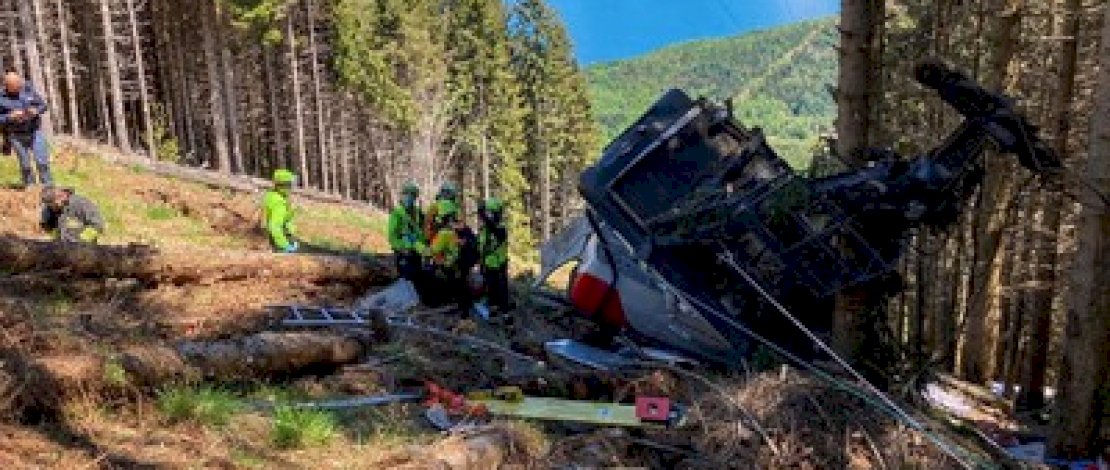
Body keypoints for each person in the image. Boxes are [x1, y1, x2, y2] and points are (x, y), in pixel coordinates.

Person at [0, 72, 51, 188]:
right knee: (25, 165)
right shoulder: (1, 97)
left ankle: (48, 187)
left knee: (42, 162)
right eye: (14, 88)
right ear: (7, 86)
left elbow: (43, 105)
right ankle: (30, 188)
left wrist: (36, 111)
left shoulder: (28, 88)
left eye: (19, 85)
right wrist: (9, 116)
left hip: (35, 131)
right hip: (15, 135)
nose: (18, 89)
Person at [427, 199, 472, 313]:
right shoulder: (454, 230)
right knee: (459, 285)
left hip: (448, 265)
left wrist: (417, 245)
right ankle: (461, 303)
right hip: (455, 263)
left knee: (430, 272)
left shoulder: (444, 233)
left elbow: (432, 251)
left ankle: (446, 302)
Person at [388, 182, 428, 285]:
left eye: (412, 195)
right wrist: (402, 248)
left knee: (417, 280)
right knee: (406, 281)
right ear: (403, 195)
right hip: (404, 252)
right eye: (407, 194)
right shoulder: (397, 213)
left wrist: (424, 247)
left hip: (417, 252)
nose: (409, 197)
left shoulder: (418, 213)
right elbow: (392, 236)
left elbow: (423, 231)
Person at [477, 197, 510, 313]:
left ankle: (505, 312)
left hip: (499, 265)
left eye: (490, 213)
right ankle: (492, 308)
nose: (489, 215)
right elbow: (481, 245)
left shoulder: (501, 227)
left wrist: (484, 217)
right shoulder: (485, 229)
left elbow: (496, 232)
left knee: (502, 290)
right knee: (491, 289)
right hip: (488, 264)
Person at [40, 185, 104, 243]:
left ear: (60, 197)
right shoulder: (50, 209)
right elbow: (48, 229)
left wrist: (82, 240)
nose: (52, 208)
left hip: (82, 246)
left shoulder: (81, 204)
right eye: (49, 205)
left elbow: (98, 225)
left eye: (52, 205)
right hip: (61, 247)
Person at [262, 168, 299, 253]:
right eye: (290, 185)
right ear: (282, 186)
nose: (291, 188)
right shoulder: (278, 203)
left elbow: (284, 218)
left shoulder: (275, 196)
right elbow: (275, 226)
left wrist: (292, 211)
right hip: (282, 240)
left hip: (282, 237)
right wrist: (285, 245)